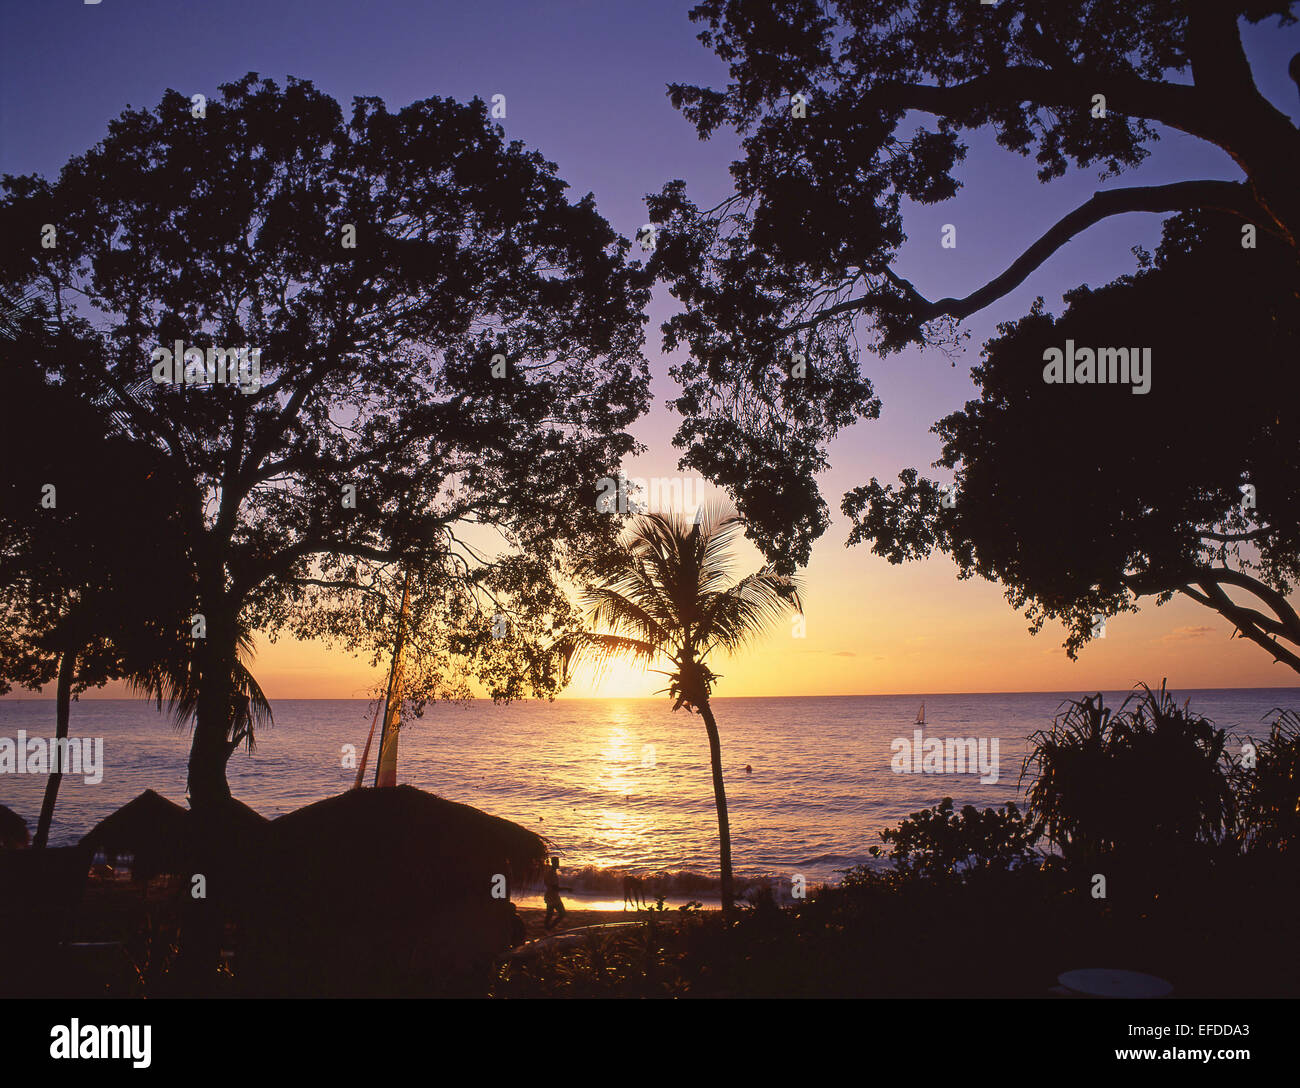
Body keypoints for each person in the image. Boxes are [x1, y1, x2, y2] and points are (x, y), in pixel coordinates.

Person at [543, 856, 568, 931]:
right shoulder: (551, 874)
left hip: (551, 896)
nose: (558, 864)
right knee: (562, 913)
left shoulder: (551, 872)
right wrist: (567, 889)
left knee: (550, 914)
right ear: (554, 863)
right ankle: (549, 928)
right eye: (557, 862)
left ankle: (548, 928)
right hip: (553, 897)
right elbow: (555, 888)